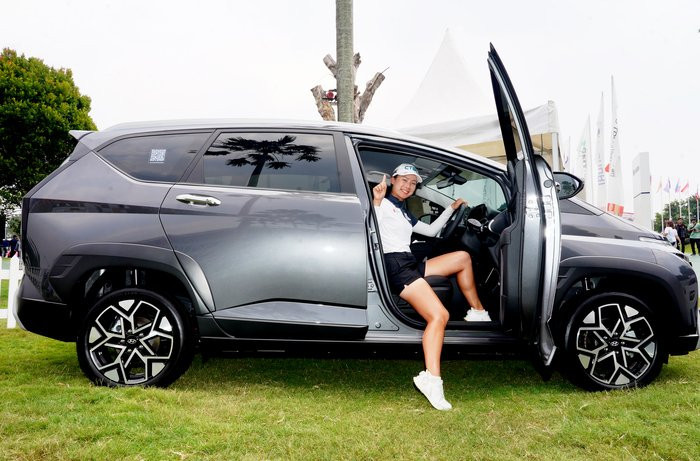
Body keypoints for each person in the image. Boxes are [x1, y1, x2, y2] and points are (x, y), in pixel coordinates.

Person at [373, 163, 490, 411]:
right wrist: (377, 200)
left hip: (409, 262)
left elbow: (431, 230)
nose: (408, 186)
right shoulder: (382, 206)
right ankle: (432, 380)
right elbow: (373, 226)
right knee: (439, 316)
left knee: (462, 258)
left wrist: (451, 208)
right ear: (393, 180)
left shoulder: (402, 211)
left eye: (413, 183)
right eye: (403, 180)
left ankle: (478, 312)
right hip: (397, 267)